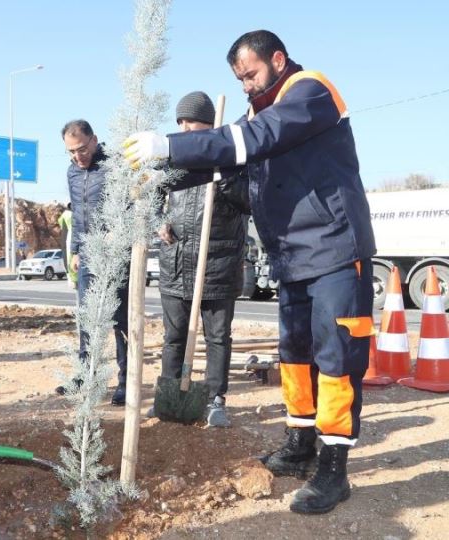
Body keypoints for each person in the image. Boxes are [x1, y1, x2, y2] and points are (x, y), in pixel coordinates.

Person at [124, 30, 375, 515]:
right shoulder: (259, 114)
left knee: (337, 356)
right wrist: (159, 172)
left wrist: (169, 144)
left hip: (335, 249)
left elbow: (252, 140)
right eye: (238, 79)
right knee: (295, 354)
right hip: (291, 255)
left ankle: (334, 465)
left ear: (277, 59)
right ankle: (300, 442)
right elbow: (226, 162)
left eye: (250, 74)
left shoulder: (310, 92)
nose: (244, 85)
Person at [149, 91, 250, 427]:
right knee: (173, 336)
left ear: (210, 125)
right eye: (180, 122)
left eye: (191, 122)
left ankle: (215, 398)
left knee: (218, 337)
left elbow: (250, 201)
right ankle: (169, 394)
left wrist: (223, 180)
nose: (184, 128)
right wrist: (157, 223)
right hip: (176, 265)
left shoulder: (232, 160)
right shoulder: (172, 161)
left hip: (217, 267)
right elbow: (151, 201)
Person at [60, 119, 130, 406]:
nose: (78, 156)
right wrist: (76, 250)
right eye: (72, 152)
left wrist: (118, 230)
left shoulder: (114, 165)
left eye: (82, 149)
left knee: (120, 319)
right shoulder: (72, 173)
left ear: (94, 140)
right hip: (88, 254)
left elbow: (130, 203)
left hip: (115, 254)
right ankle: (85, 377)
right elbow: (78, 214)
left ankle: (126, 381)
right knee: (88, 319)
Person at [57, 202, 78, 289]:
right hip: (75, 267)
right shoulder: (70, 217)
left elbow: (64, 246)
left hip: (73, 266)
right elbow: (66, 246)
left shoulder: (65, 216)